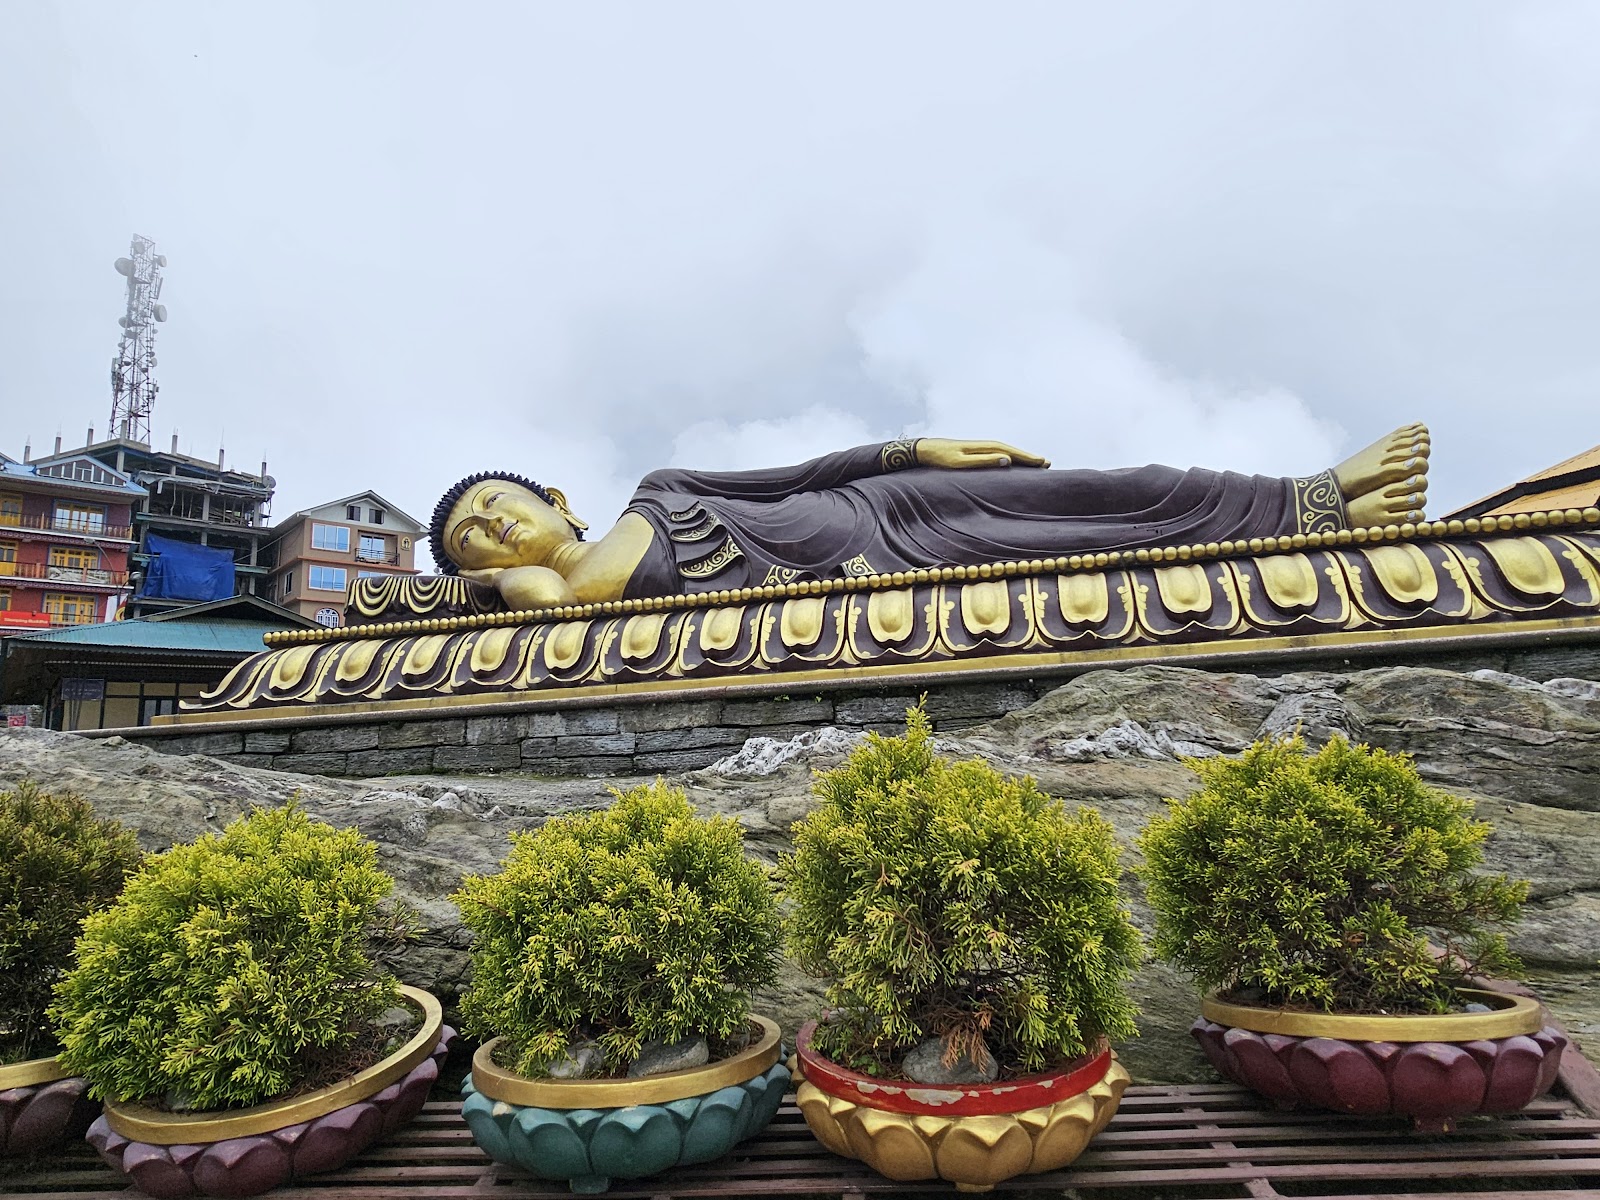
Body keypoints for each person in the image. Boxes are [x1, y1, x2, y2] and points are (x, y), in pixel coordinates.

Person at [430, 425, 1430, 611]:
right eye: (465, 539)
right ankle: (1305, 522)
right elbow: (538, 601)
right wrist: (487, 582)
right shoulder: (550, 589)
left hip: (873, 510)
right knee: (1084, 557)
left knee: (1090, 492)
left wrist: (915, 450)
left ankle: (1311, 500)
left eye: (491, 506)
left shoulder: (660, 488)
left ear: (551, 496)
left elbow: (799, 472)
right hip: (880, 589)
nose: (486, 530)